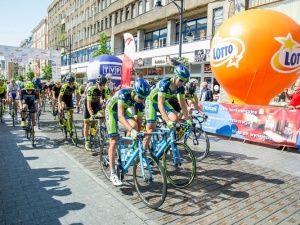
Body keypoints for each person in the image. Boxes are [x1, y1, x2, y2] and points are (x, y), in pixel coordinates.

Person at [105, 78, 150, 186]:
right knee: (114, 141)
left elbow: (138, 121)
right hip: (112, 111)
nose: (140, 100)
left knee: (134, 125)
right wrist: (131, 131)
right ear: (134, 91)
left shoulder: (140, 101)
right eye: (139, 97)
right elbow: (120, 115)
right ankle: (113, 173)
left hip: (124, 111)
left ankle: (124, 149)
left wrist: (137, 133)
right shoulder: (124, 93)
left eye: (143, 98)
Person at [143, 64, 192, 151]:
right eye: (181, 80)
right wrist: (167, 121)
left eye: (184, 81)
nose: (182, 83)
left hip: (162, 102)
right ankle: (143, 154)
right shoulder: (165, 83)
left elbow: (183, 103)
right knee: (150, 129)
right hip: (152, 101)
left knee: (175, 118)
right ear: (175, 76)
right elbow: (160, 104)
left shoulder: (180, 88)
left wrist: (187, 118)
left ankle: (164, 142)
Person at [84, 75, 110, 151]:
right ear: (97, 83)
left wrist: (107, 114)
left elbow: (108, 103)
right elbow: (88, 104)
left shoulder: (106, 89)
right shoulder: (91, 89)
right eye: (100, 85)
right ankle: (86, 141)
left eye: (103, 85)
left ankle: (98, 132)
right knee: (87, 123)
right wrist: (92, 115)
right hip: (88, 105)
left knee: (101, 116)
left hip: (96, 105)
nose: (102, 86)